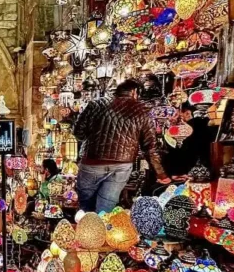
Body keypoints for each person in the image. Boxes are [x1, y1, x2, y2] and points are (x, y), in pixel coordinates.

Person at [73, 79, 170, 213]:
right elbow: (150, 147)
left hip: (92, 162)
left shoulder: (96, 104)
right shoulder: (142, 110)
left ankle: (86, 230)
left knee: (86, 209)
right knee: (104, 211)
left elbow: (78, 133)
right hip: (122, 166)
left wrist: (95, 132)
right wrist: (161, 174)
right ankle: (102, 230)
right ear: (135, 92)